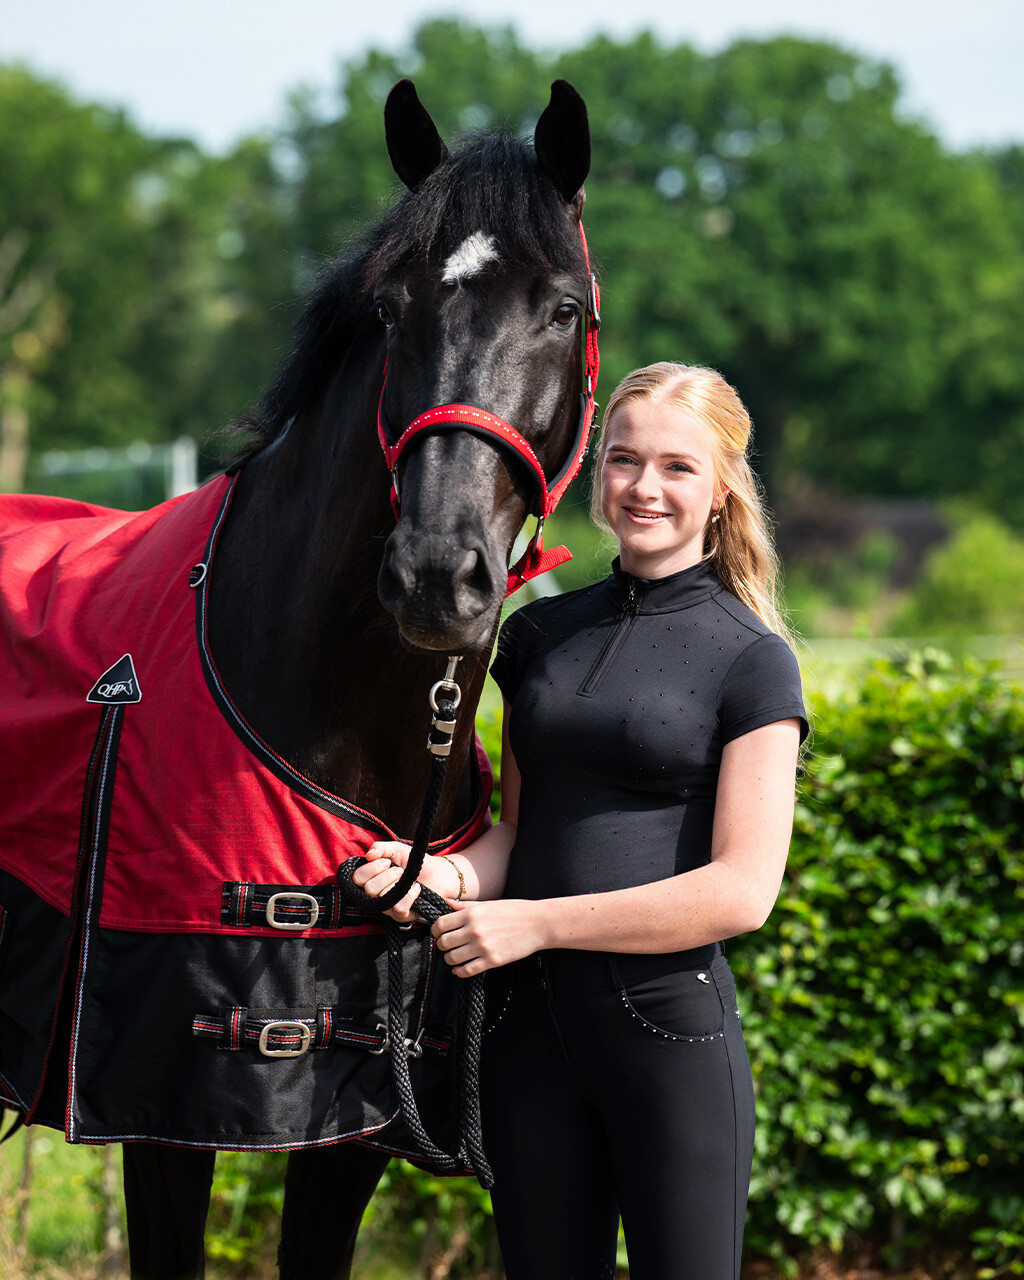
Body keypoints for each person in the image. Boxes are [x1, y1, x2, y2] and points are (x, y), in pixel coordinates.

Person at [353, 361, 808, 1279]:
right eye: (624, 460)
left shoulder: (755, 660)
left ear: (722, 490)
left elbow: (742, 891)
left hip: (668, 1044)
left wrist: (537, 923)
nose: (645, 487)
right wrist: (438, 874)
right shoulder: (535, 638)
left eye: (678, 468)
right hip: (529, 1039)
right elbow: (519, 836)